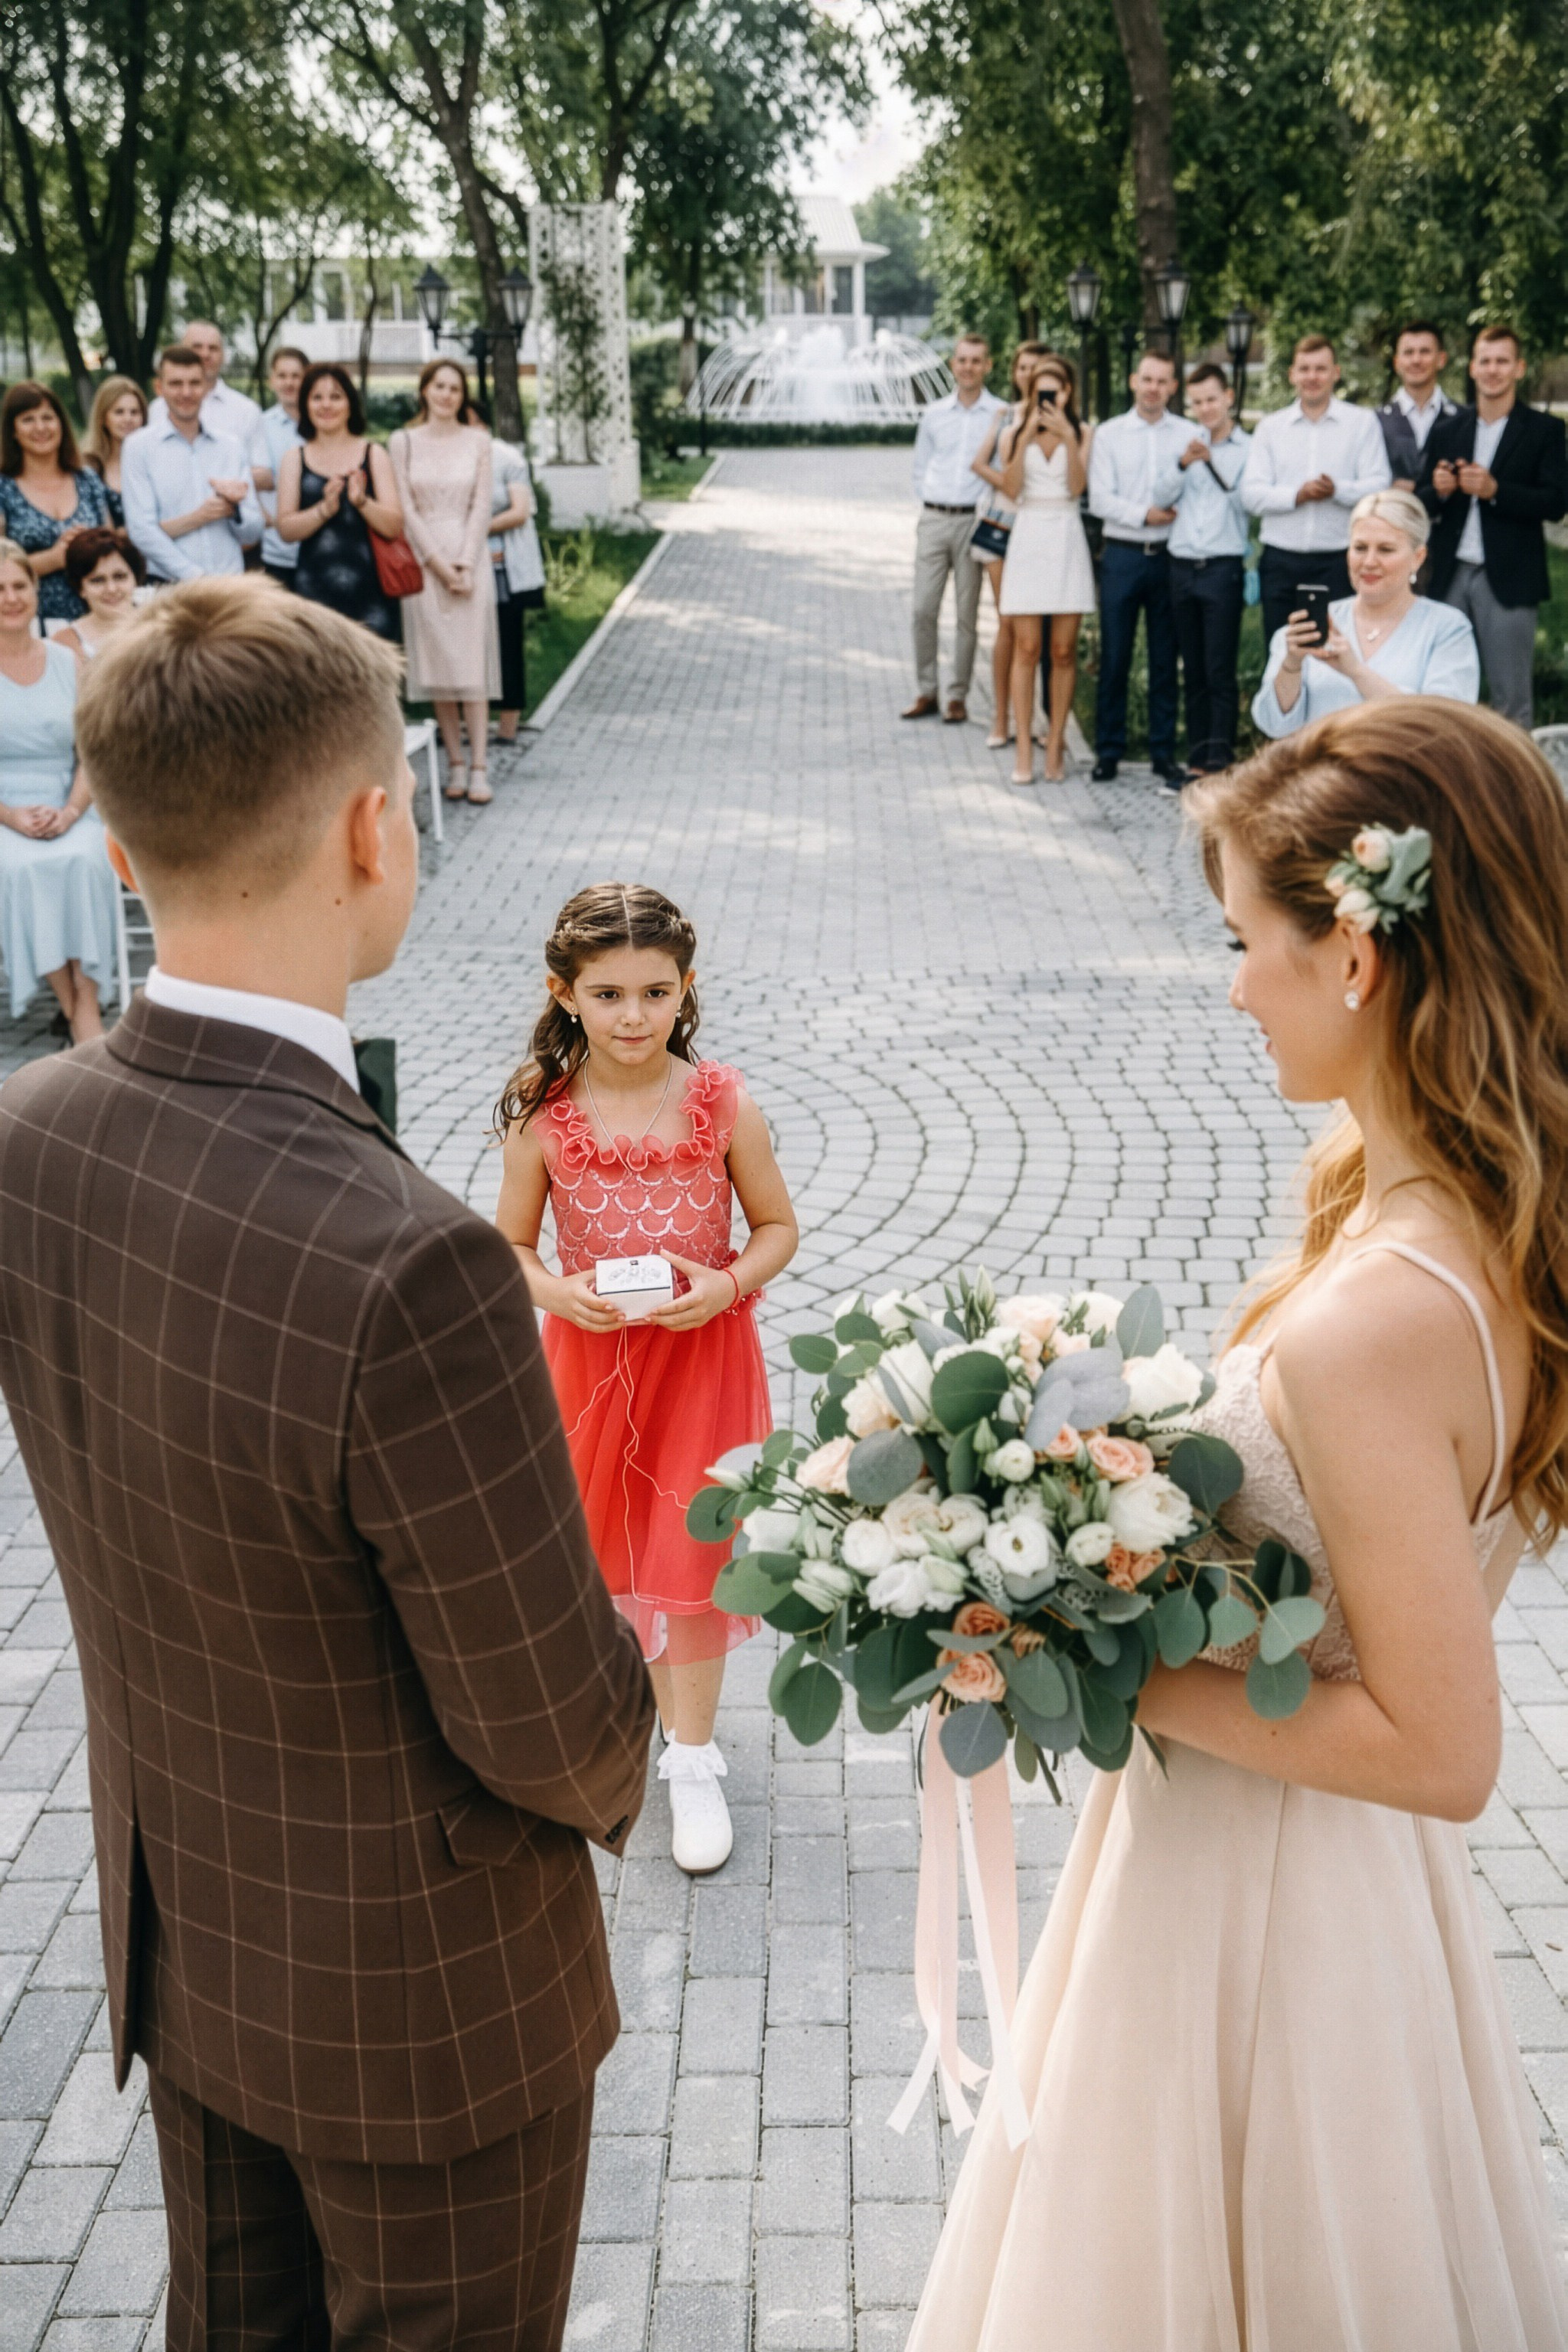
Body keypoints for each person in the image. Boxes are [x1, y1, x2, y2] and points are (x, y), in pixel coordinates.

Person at [0, 577, 655, 2346]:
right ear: (377, 828)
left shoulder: (28, 1132)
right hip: (424, 2009)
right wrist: (644, 1707)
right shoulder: (413, 1258)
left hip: (196, 1933)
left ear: (122, 854)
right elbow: (549, 1715)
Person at [908, 697, 1568, 2349]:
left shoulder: (1373, 1321)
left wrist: (1073, 1658)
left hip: (1268, 1902)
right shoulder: (1445, 1213)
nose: (1228, 986)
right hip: (1333, 1880)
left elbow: (1441, 1747)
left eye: (1244, 941)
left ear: (1354, 956)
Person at [495, 884, 799, 1874]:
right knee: (600, 1545)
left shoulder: (722, 1102)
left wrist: (726, 1284)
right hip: (589, 1362)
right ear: (566, 993)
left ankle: (695, 1759)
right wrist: (556, 1291)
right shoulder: (546, 1114)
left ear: (686, 990)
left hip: (702, 1359)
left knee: (693, 1549)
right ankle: (620, 1716)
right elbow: (510, 1249)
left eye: (655, 993)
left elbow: (777, 1230)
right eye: (610, 993)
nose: (634, 1016)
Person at [1421, 323, 1568, 731]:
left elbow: (1557, 503)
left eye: (1502, 361)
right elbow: (1422, 498)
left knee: (1511, 698)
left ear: (1519, 369)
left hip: (1510, 576)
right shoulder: (1449, 428)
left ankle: (1518, 791)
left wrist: (1496, 490)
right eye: (1485, 361)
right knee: (1441, 693)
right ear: (1472, 368)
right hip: (1449, 574)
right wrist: (1439, 490)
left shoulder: (1545, 431)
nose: (1493, 370)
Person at [0, 542, 117, 1040]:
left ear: (36, 591)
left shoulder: (68, 662)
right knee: (21, 867)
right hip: (5, 812)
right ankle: (76, 1008)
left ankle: (84, 998)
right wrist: (12, 816)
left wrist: (70, 812)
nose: (10, 597)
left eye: (20, 586)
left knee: (89, 858)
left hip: (71, 800)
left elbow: (91, 754)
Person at [1254, 489, 1478, 737]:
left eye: (1385, 549)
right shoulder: (1308, 628)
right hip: (1322, 772)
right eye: (1360, 548)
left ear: (1418, 557)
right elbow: (1274, 726)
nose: (1369, 562)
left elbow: (1445, 727)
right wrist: (1291, 665)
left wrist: (1355, 671)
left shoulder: (1448, 629)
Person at [389, 358, 499, 803]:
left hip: (470, 559)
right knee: (439, 667)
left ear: (463, 395)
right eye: (439, 386)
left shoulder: (478, 441)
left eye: (455, 388)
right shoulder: (404, 442)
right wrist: (437, 563)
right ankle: (453, 761)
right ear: (425, 391)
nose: (447, 395)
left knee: (472, 668)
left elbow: (482, 505)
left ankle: (479, 767)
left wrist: (467, 564)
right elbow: (406, 507)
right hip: (425, 562)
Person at [1243, 333, 1393, 647]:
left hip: (1339, 560)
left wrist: (1337, 490)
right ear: (1292, 375)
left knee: (1338, 651)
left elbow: (1379, 485)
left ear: (1335, 373)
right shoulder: (1271, 428)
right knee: (1281, 650)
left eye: (1321, 369)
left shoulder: (1361, 423)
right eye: (1305, 369)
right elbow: (1251, 495)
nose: (1312, 377)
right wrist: (1297, 495)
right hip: (1281, 561)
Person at [1086, 347, 1190, 785]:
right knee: (1115, 656)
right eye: (1147, 380)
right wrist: (1144, 515)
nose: (1154, 389)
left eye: (1163, 381)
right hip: (1124, 554)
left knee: (1166, 658)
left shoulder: (1189, 433)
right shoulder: (1109, 435)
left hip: (1171, 557)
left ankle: (1162, 753)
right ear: (1133, 382)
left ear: (1173, 387)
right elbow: (1100, 499)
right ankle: (1108, 749)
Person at [995, 354, 1095, 786]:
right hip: (1030, 533)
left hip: (1066, 534)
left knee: (1063, 651)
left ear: (1069, 392)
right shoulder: (1012, 434)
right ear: (1030, 394)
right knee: (1027, 649)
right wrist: (1023, 441)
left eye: (1056, 391)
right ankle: (1023, 750)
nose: (1050, 399)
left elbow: (1077, 487)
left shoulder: (1084, 431)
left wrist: (1068, 441)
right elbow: (1012, 491)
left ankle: (1055, 746)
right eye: (1041, 393)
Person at [1151, 361, 1251, 775]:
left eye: (1212, 399)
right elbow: (1159, 496)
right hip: (1182, 567)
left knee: (1218, 669)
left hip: (1222, 567)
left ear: (1228, 398)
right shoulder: (1183, 444)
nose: (1205, 409)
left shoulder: (1249, 449)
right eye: (1197, 403)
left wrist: (1213, 462)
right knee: (1191, 668)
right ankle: (1196, 758)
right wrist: (1182, 465)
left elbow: (1248, 502)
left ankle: (1219, 758)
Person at [906, 332, 1005, 723]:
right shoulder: (934, 414)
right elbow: (919, 467)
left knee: (967, 615)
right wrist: (929, 500)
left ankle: (957, 695)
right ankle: (926, 690)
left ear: (988, 366)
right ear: (953, 365)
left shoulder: (1000, 413)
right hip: (933, 519)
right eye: (962, 360)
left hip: (973, 521)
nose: (969, 367)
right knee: (922, 610)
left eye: (976, 361)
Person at [277, 361, 403, 643]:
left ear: (350, 403)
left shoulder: (374, 454)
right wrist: (324, 510)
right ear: (306, 405)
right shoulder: (294, 458)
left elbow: (394, 526)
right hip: (314, 593)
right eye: (317, 397)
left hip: (372, 594)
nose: (326, 405)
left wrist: (363, 503)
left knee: (373, 683)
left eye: (336, 396)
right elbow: (285, 530)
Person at [122, 344, 262, 584]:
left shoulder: (231, 446)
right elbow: (141, 531)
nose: (186, 392)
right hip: (172, 586)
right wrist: (197, 577)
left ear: (206, 387)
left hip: (230, 584)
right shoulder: (138, 447)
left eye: (195, 383)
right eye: (176, 383)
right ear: (159, 387)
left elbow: (253, 531)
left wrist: (236, 511)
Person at [969, 339, 1047, 749]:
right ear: (1014, 373)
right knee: (1009, 626)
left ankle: (1034, 720)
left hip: (1044, 527)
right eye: (1022, 368)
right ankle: (1001, 719)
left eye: (1037, 368)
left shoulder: (1059, 417)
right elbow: (979, 464)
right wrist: (1011, 487)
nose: (1029, 375)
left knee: (1038, 634)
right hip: (1003, 524)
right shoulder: (1004, 415)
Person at [0, 381, 111, 623]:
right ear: (13, 431)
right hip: (28, 624)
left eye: (48, 417)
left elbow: (111, 549)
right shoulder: (3, 488)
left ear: (61, 423)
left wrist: (91, 545)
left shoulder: (87, 479)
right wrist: (55, 558)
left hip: (96, 619)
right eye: (28, 419)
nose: (40, 427)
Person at [485, 426, 547, 743]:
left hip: (504, 570)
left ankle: (507, 727)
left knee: (507, 645)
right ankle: (475, 724)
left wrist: (474, 528)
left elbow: (519, 511)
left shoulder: (505, 457)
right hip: (462, 572)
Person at [147, 317, 263, 443]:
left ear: (223, 355)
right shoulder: (156, 410)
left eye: (213, 348)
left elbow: (257, 462)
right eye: (197, 347)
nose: (205, 354)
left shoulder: (247, 411)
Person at [248, 344, 308, 586]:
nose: (289, 383)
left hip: (320, 545)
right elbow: (254, 479)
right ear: (272, 380)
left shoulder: (324, 422)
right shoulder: (261, 425)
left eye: (296, 376)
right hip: (277, 549)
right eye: (282, 376)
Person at [1376, 320, 1457, 490]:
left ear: (1441, 359)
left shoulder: (1462, 418)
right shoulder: (1376, 420)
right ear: (1397, 362)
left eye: (1425, 352)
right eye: (1408, 352)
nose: (1416, 360)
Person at [53, 527, 148, 658]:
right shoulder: (64, 643)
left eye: (119, 576)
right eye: (97, 580)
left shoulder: (163, 628)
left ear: (135, 578)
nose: (111, 589)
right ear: (81, 588)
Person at [80, 375, 149, 528]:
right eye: (119, 412)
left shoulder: (154, 463)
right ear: (103, 418)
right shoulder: (89, 467)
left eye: (135, 412)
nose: (128, 419)